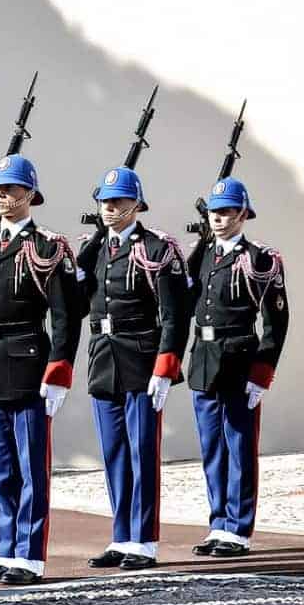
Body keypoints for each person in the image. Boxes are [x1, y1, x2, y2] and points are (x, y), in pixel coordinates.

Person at [0, 154, 83, 585]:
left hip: (28, 364)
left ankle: (30, 554)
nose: (4, 197)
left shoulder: (47, 246)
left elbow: (65, 315)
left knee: (30, 467)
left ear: (30, 194)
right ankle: (5, 548)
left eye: (11, 190)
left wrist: (59, 369)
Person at [75, 167, 189, 570]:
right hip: (104, 358)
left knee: (142, 452)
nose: (110, 207)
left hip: (141, 359)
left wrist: (165, 367)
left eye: (118, 201)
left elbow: (175, 315)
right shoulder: (95, 249)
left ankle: (144, 540)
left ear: (136, 205)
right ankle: (121, 535)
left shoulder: (157, 249)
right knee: (114, 454)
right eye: (105, 201)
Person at [185, 177, 289, 557]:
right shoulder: (202, 254)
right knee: (212, 446)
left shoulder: (260, 259)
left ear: (243, 214)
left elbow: (276, 321)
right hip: (204, 358)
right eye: (215, 211)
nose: (219, 218)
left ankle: (239, 528)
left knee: (239, 445)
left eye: (227, 211)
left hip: (239, 359)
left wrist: (262, 372)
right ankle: (218, 522)